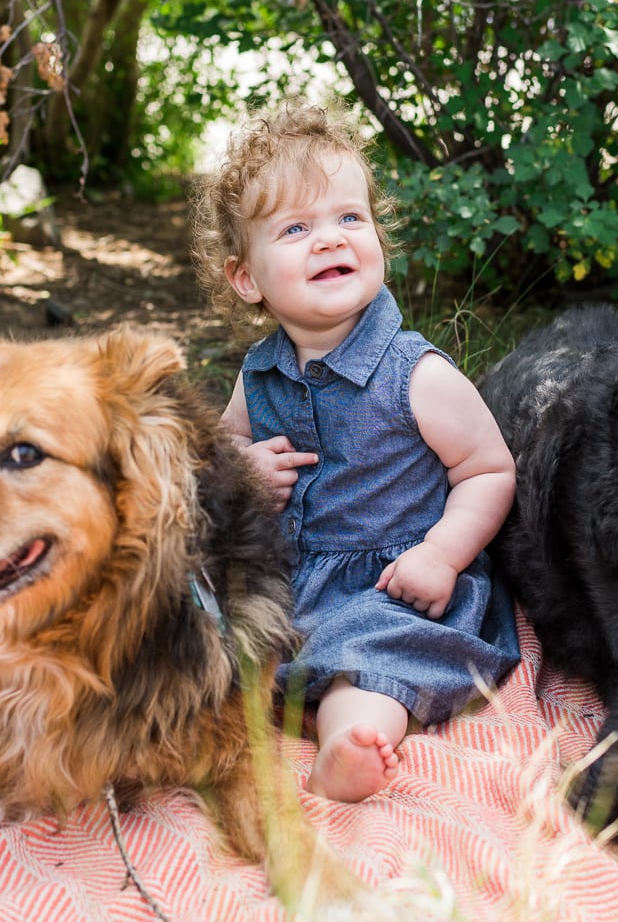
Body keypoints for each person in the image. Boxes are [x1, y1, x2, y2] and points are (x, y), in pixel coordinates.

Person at [195, 102, 520, 803]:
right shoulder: (259, 373)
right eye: (295, 228)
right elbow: (223, 450)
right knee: (203, 623)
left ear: (377, 238)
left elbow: (488, 469)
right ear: (246, 278)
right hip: (287, 583)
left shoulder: (417, 376)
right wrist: (243, 470)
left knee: (369, 659)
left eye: (349, 218)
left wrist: (441, 555)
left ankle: (353, 743)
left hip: (392, 585)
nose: (328, 240)